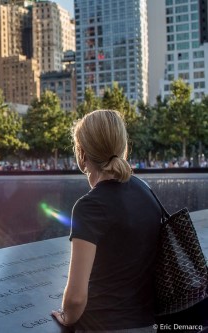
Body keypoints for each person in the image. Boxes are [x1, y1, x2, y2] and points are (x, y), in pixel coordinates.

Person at [51, 110, 162, 332]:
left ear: (82, 154)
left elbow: (75, 299)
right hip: (148, 323)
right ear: (123, 147)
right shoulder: (145, 190)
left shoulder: (89, 208)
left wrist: (66, 317)